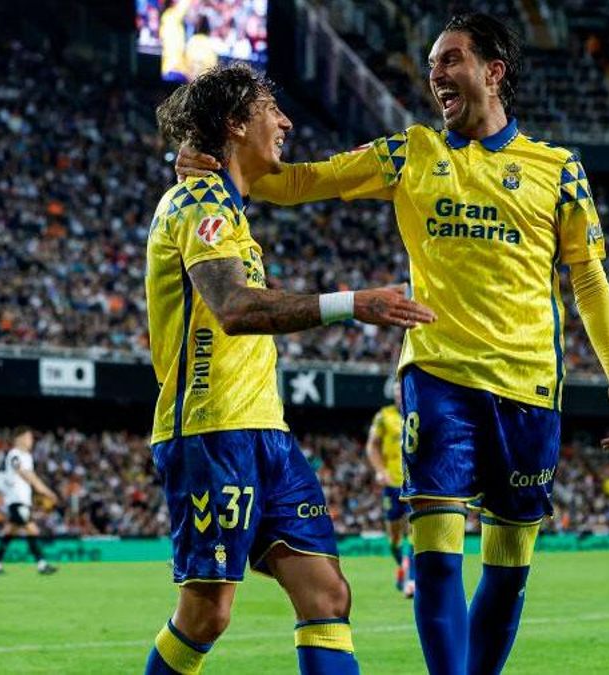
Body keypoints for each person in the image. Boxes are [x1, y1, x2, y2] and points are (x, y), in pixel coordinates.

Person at [175, 13, 609, 674]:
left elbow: (588, 275)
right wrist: (210, 166)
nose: (436, 74)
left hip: (530, 382)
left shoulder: (558, 170)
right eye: (431, 64)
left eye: (450, 59)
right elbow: (299, 181)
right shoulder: (411, 152)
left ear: (493, 70)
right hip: (437, 373)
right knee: (437, 555)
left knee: (508, 567)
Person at [144, 64, 436, 675]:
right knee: (207, 615)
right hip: (211, 429)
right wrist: (351, 304)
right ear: (234, 123)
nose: (286, 120)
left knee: (327, 595)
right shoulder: (196, 201)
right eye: (270, 108)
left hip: (267, 434)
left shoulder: (226, 203)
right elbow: (233, 307)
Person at [0, 426, 59, 576]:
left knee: (9, 532)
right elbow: (26, 474)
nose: (31, 441)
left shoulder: (27, 456)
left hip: (23, 500)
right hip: (16, 500)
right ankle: (42, 564)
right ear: (19, 439)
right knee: (32, 529)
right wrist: (46, 491)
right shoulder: (14, 455)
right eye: (28, 437)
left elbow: (29, 476)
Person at [366, 379, 414, 597]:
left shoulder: (418, 410)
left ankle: (411, 580)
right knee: (394, 537)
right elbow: (372, 446)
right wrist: (379, 470)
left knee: (414, 533)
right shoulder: (384, 416)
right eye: (395, 392)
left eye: (401, 391)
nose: (398, 395)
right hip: (392, 484)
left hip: (413, 484)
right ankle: (402, 569)